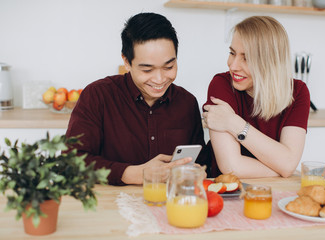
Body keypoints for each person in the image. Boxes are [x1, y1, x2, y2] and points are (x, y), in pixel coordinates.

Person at [66, 12, 205, 185]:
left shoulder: (187, 102)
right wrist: (131, 173)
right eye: (147, 70)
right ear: (126, 61)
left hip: (170, 206)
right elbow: (72, 161)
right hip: (111, 206)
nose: (159, 79)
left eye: (169, 66)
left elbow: (201, 163)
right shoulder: (97, 95)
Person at [202, 16, 310, 178]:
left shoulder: (297, 92)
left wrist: (234, 123)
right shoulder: (221, 85)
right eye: (232, 53)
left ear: (271, 61)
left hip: (275, 190)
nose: (233, 65)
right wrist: (282, 170)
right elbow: (231, 167)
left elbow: (287, 163)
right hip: (230, 192)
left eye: (246, 58)